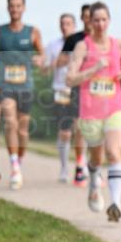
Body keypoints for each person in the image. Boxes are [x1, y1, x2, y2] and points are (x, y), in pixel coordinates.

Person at [66, 1, 121, 222]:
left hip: (115, 107)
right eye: (96, 20)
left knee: (114, 152)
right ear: (90, 22)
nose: (100, 24)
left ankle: (116, 203)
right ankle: (94, 178)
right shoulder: (82, 47)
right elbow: (70, 78)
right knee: (97, 158)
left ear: (109, 21)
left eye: (104, 19)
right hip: (91, 111)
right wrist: (94, 69)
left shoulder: (119, 45)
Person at [0, 0, 44, 190]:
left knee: (23, 130)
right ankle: (14, 166)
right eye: (12, 6)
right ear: (7, 8)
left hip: (25, 85)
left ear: (24, 8)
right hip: (5, 84)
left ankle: (19, 161)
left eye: (18, 6)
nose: (15, 9)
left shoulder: (33, 32)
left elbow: (41, 54)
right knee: (9, 121)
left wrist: (40, 59)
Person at [59, 3, 92, 185]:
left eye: (92, 16)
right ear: (82, 18)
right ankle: (80, 165)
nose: (90, 20)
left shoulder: (102, 40)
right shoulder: (74, 39)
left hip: (97, 89)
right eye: (86, 16)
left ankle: (92, 165)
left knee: (96, 129)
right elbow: (60, 61)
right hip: (79, 87)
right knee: (79, 126)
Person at [44, 13, 79, 182]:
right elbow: (45, 69)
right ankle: (64, 168)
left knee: (80, 128)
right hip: (60, 90)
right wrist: (58, 62)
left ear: (74, 25)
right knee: (65, 132)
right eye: (62, 23)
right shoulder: (53, 45)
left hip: (79, 90)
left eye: (68, 23)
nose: (65, 26)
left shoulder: (82, 44)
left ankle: (81, 164)